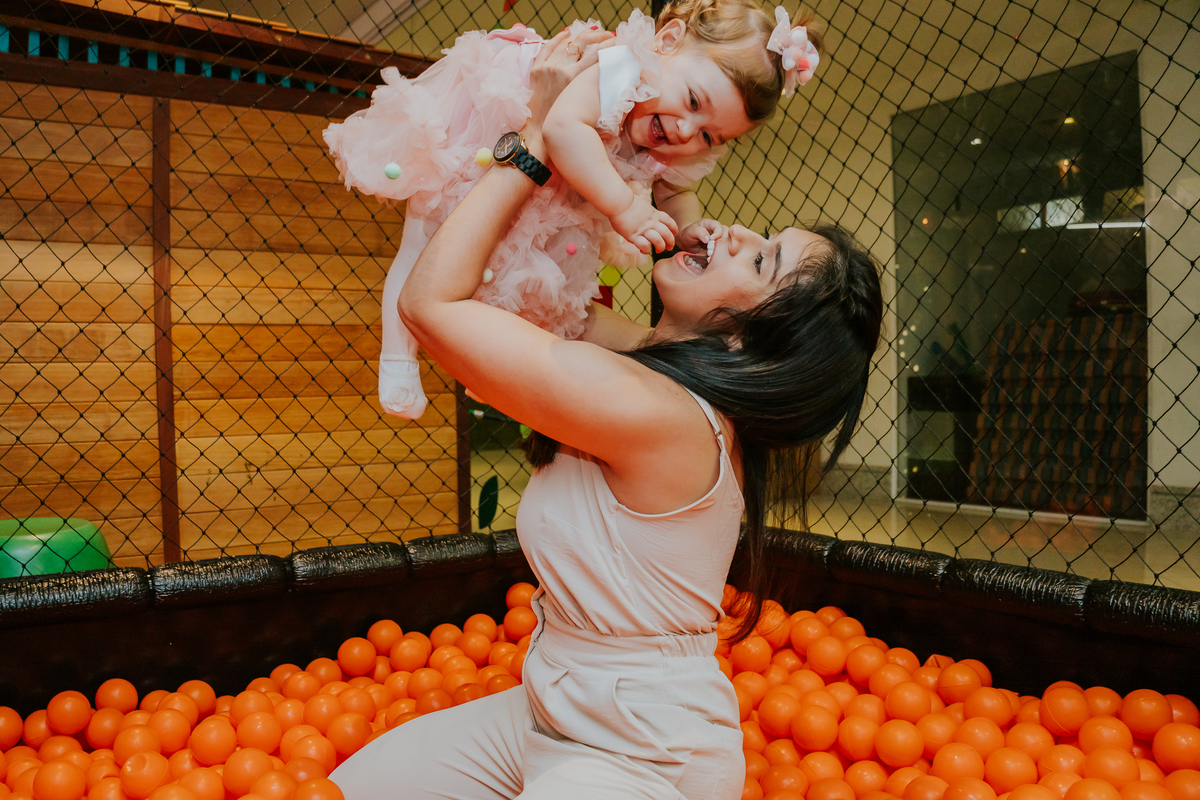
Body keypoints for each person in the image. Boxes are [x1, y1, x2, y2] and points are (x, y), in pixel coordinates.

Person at [330, 25, 882, 800]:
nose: (733, 230)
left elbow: (432, 305)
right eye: (761, 235)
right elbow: (529, 306)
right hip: (553, 709)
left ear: (757, 339)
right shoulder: (648, 364)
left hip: (641, 751)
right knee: (350, 787)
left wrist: (534, 142)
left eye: (760, 260)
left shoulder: (658, 411)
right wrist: (575, 160)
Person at [324, 0, 823, 418]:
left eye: (712, 135)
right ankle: (397, 355)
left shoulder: (677, 138)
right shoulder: (622, 67)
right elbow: (562, 128)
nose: (688, 133)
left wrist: (689, 227)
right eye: (693, 100)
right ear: (667, 42)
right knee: (426, 240)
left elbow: (674, 190)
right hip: (486, 141)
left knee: (539, 285)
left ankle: (486, 362)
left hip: (548, 192)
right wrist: (627, 209)